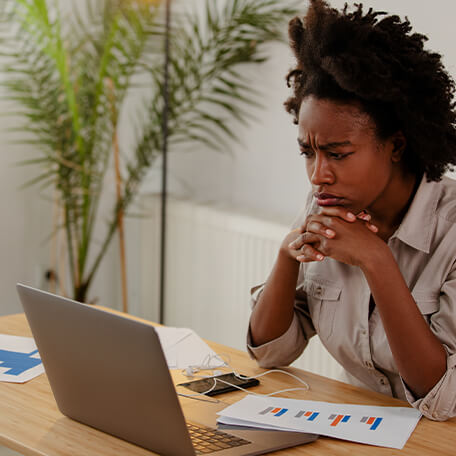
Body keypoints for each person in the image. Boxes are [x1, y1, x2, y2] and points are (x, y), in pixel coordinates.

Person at [247, 0, 456, 421]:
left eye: (337, 154)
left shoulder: (449, 232)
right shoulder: (328, 205)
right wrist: (287, 256)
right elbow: (271, 351)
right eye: (308, 152)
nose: (318, 175)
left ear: (396, 146)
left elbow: (443, 397)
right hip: (360, 432)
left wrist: (376, 259)